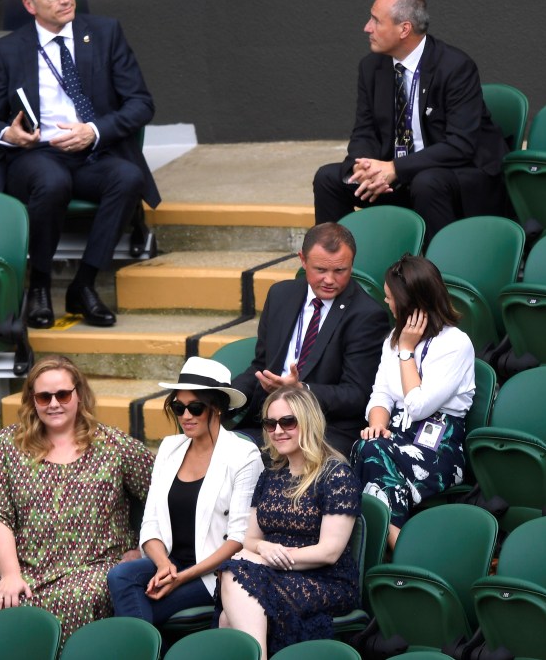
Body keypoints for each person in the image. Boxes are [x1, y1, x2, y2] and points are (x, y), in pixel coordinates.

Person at [0, 0, 159, 329]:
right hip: (37, 155)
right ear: (30, 5)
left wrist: (94, 131)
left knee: (127, 178)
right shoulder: (10, 49)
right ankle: (40, 285)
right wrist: (8, 134)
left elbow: (141, 104)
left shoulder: (105, 33)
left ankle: (84, 285)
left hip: (92, 151)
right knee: (52, 181)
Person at [0, 355, 154, 638]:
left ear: (79, 396)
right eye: (44, 397)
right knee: (10, 601)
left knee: (76, 599)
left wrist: (144, 549)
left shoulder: (112, 445)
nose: (54, 403)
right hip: (25, 567)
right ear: (32, 401)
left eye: (63, 394)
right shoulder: (7, 446)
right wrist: (10, 574)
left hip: (93, 567)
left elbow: (163, 494)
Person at [313, 0, 510, 245]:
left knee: (426, 182)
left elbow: (460, 145)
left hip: (455, 175)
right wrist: (362, 167)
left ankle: (436, 275)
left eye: (376, 21)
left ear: (404, 29)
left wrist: (396, 168)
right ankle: (336, 268)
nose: (366, 28)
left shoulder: (455, 67)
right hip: (400, 176)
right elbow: (365, 129)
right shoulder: (371, 67)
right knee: (329, 178)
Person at [107, 357, 264, 625]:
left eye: (195, 408)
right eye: (179, 408)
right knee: (119, 576)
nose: (186, 416)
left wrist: (183, 577)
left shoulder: (244, 455)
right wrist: (163, 565)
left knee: (139, 607)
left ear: (217, 408)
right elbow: (151, 523)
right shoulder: (170, 448)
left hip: (212, 572)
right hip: (171, 562)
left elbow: (237, 539)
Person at [218, 386, 361, 658]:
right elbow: (249, 538)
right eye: (271, 423)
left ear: (308, 421)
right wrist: (263, 549)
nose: (278, 431)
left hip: (323, 579)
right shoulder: (271, 475)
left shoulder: (335, 474)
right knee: (229, 612)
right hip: (272, 571)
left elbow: (329, 552)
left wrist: (270, 558)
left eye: (288, 421)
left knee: (234, 585)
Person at [231, 222, 390, 456]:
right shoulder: (280, 295)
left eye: (340, 271)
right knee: (216, 447)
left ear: (352, 264)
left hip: (323, 429)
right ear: (303, 261)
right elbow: (261, 365)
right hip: (270, 422)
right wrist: (225, 398)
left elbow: (357, 394)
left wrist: (301, 390)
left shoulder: (366, 315)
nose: (329, 280)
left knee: (252, 457)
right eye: (320, 270)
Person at [351, 254, 475, 549]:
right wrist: (377, 427)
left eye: (391, 296)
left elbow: (418, 406)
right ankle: (399, 545)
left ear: (410, 302)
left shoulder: (455, 344)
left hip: (438, 449)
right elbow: (380, 393)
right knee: (367, 446)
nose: (386, 301)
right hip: (394, 437)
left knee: (370, 456)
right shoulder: (393, 338)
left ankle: (393, 546)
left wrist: (406, 352)